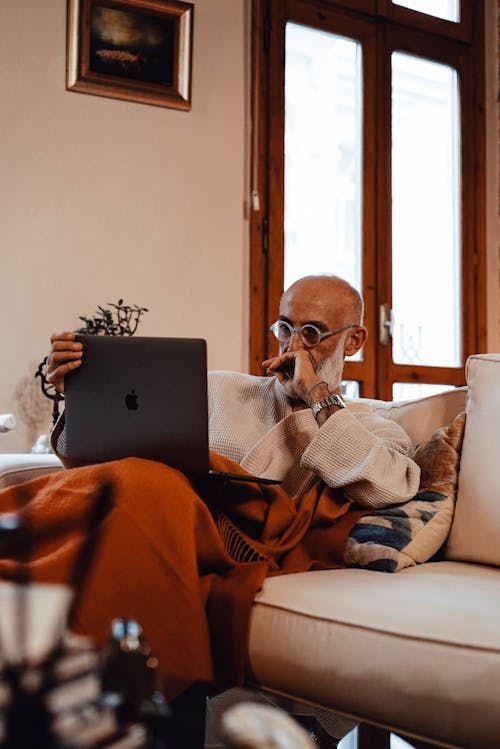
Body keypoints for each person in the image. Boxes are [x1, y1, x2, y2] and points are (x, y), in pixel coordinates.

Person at [0, 275, 420, 747]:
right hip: (157, 511)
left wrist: (319, 398)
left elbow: (390, 484)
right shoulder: (219, 388)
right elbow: (105, 457)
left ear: (356, 339)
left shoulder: (367, 423)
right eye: (284, 328)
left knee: (150, 487)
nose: (293, 346)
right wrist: (79, 396)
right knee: (124, 485)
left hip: (227, 536)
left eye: (312, 334)